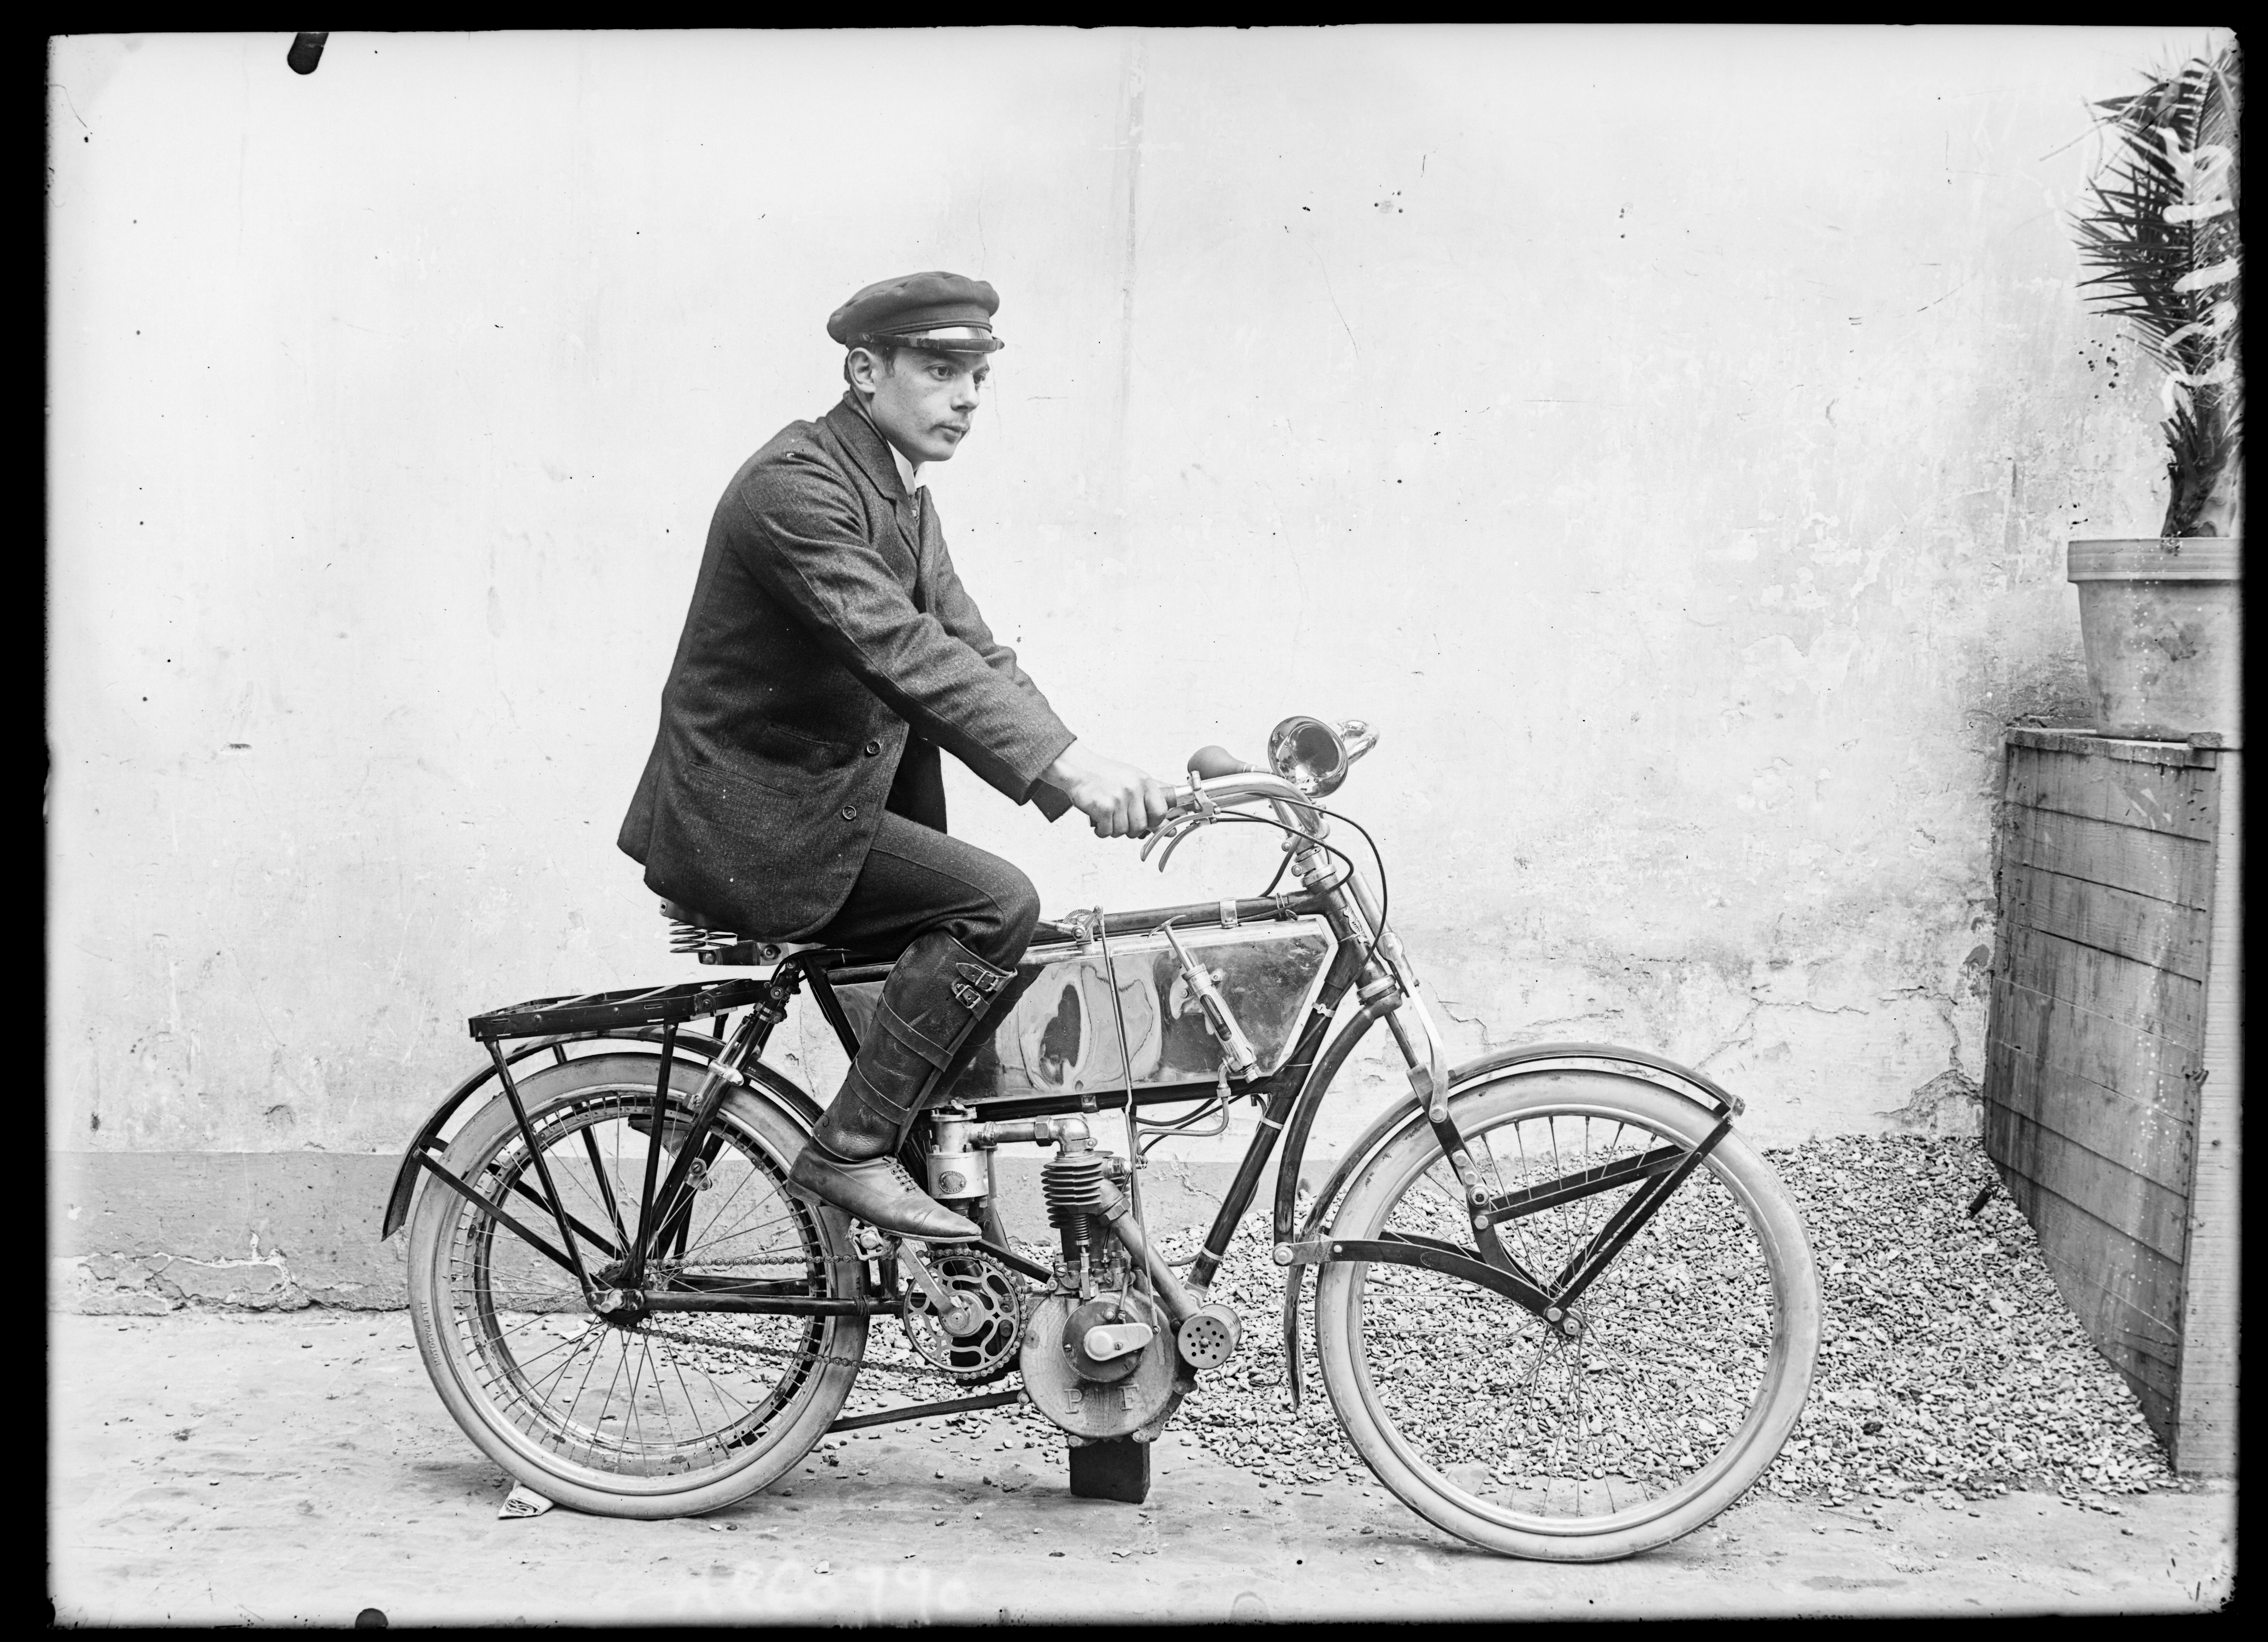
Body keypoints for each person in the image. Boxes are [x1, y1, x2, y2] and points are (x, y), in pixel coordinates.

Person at [619, 271, 1170, 1241]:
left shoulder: (899, 490)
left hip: (818, 807)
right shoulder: (794, 489)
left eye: (980, 376)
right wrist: (1070, 769)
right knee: (995, 904)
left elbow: (973, 650)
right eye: (941, 368)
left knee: (953, 1036)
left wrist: (1093, 766)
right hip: (761, 822)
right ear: (865, 371)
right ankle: (848, 1150)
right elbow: (899, 650)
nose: (966, 396)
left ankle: (968, 1281)